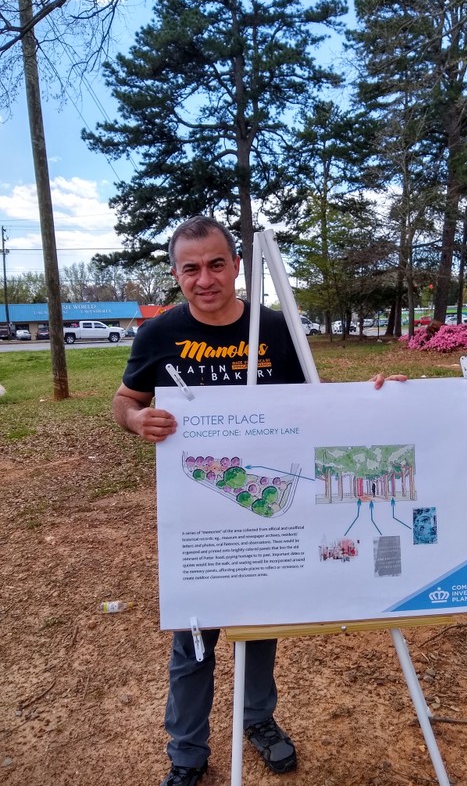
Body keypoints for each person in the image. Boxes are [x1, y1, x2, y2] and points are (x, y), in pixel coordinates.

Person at [112, 216, 407, 786]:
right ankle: (187, 753)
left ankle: (258, 722)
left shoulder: (277, 328)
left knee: (259, 622)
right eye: (190, 268)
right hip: (199, 516)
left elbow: (319, 408)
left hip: (269, 509)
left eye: (216, 264)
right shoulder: (159, 335)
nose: (205, 279)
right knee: (194, 636)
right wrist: (135, 418)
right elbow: (125, 399)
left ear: (236, 266)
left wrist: (380, 404)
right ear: (176, 274)